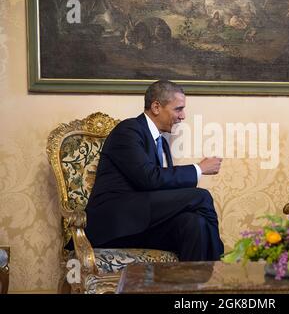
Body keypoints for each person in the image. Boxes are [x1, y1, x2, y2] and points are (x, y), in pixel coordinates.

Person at [85, 80, 224, 261]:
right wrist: (199, 168)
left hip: (142, 221)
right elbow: (148, 178)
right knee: (201, 196)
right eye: (178, 109)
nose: (183, 116)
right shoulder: (128, 130)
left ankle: (191, 286)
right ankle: (219, 262)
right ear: (156, 107)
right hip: (115, 222)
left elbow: (160, 187)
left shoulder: (162, 143)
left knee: (193, 223)